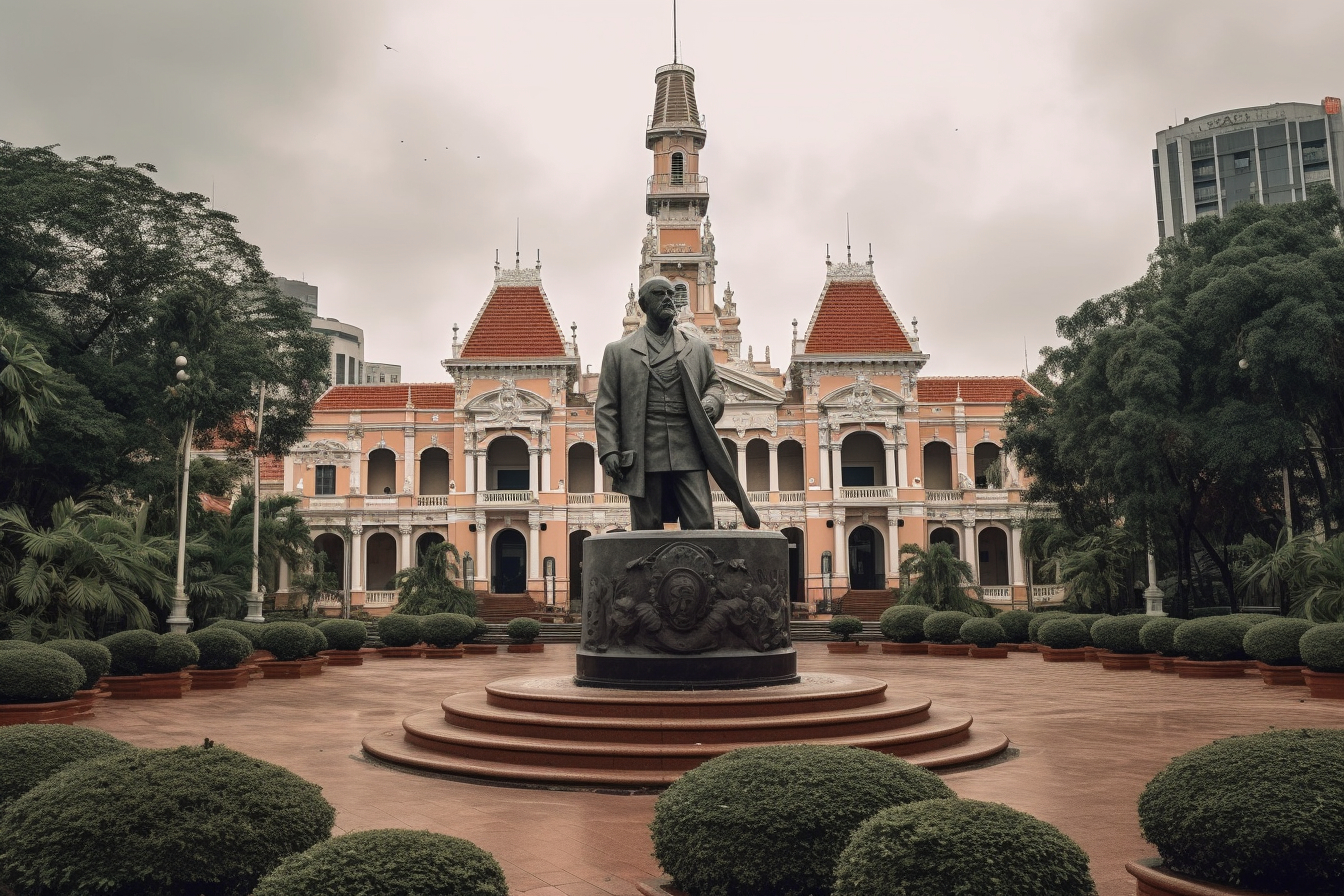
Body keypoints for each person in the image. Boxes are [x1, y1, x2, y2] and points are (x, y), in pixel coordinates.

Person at [595, 276, 759, 530]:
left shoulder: (698, 348)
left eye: (671, 294)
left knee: (702, 520)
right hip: (643, 447)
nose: (668, 299)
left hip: (688, 445)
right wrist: (608, 450)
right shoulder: (619, 351)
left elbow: (714, 385)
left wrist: (711, 402)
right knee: (647, 526)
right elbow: (606, 405)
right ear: (643, 304)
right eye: (660, 294)